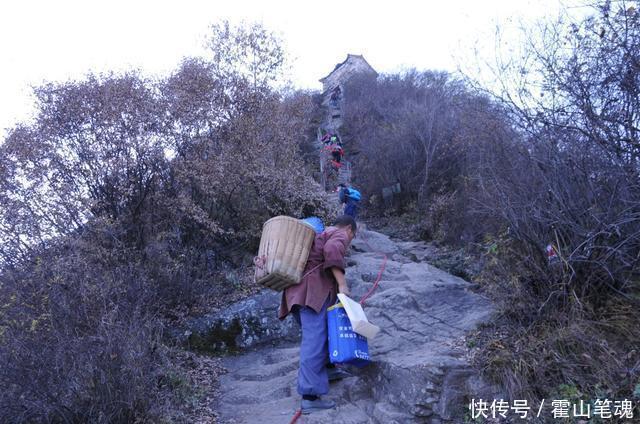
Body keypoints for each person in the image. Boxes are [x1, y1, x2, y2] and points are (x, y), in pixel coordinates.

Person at [279, 215, 357, 414]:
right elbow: (332, 251)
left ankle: (329, 370)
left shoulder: (319, 236)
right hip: (311, 294)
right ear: (349, 229)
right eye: (352, 237)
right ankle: (310, 396)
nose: (349, 241)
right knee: (314, 343)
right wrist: (342, 283)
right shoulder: (337, 234)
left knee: (322, 335)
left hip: (295, 294)